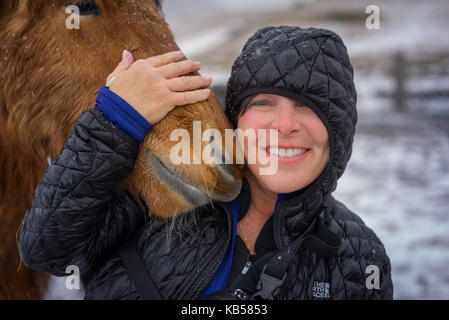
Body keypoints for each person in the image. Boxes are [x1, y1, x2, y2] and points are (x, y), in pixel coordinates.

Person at [18, 26, 393, 300]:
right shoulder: (169, 189)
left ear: (339, 134)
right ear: (236, 120)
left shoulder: (358, 260)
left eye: (308, 107)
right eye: (263, 103)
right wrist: (113, 122)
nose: (284, 126)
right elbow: (47, 248)